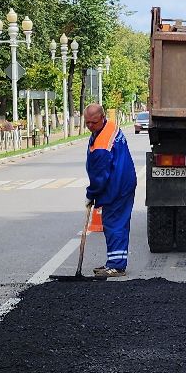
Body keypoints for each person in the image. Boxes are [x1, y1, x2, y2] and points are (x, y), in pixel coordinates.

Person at [83, 103, 137, 278]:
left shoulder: (101, 145)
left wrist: (91, 194)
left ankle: (116, 266)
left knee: (114, 224)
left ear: (102, 118)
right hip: (123, 181)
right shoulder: (109, 128)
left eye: (93, 122)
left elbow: (100, 175)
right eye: (87, 122)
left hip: (117, 186)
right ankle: (114, 262)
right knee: (116, 223)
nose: (90, 126)